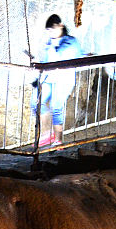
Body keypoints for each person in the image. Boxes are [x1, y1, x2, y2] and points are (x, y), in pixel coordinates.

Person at [30, 13, 86, 146]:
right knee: (35, 103)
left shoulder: (71, 41)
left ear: (60, 26)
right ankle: (46, 134)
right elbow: (45, 60)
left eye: (52, 29)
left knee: (56, 106)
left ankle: (58, 140)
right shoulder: (49, 41)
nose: (50, 33)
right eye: (48, 31)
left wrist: (54, 47)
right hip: (48, 78)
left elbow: (66, 54)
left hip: (63, 79)